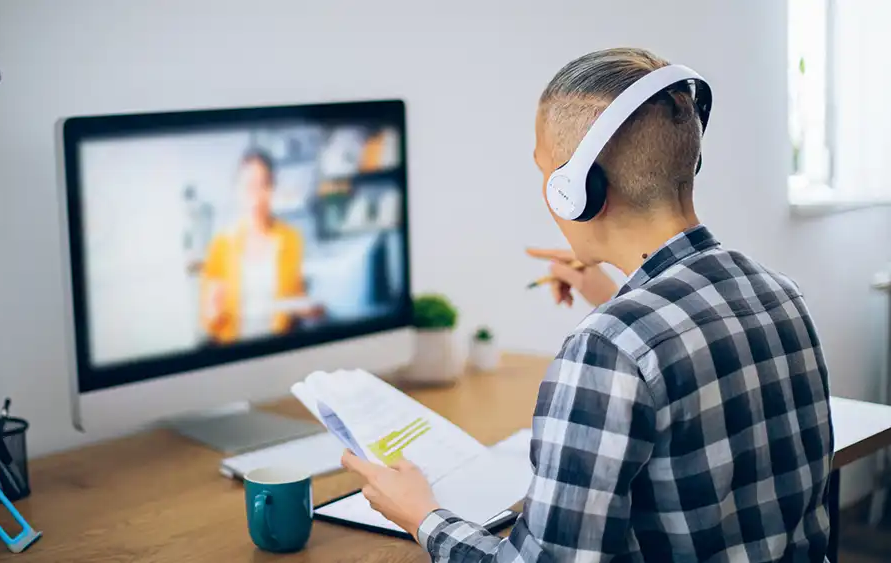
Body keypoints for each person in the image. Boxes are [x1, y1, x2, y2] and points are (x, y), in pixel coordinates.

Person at [341, 48, 834, 562]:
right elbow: (686, 349)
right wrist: (612, 292)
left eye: (545, 172)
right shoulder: (778, 293)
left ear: (578, 190)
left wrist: (422, 516)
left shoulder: (609, 348)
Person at [200, 149, 319, 343]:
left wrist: (310, 309)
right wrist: (213, 312)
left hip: (278, 346)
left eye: (262, 185)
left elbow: (296, 295)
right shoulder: (220, 245)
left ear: (272, 189)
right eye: (248, 186)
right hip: (234, 351)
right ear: (236, 191)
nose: (255, 196)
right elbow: (209, 322)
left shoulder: (291, 239)